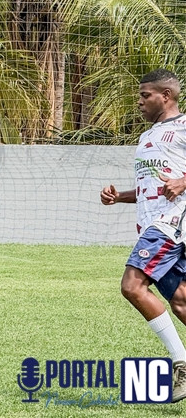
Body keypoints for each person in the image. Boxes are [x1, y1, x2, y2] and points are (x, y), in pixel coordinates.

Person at [101, 68, 186, 403]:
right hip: (156, 224)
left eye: (145, 95)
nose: (139, 101)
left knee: (132, 286)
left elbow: (176, 185)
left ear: (166, 96)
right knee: (180, 300)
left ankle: (181, 364)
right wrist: (119, 196)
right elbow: (151, 188)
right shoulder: (149, 136)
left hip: (169, 225)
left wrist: (183, 181)